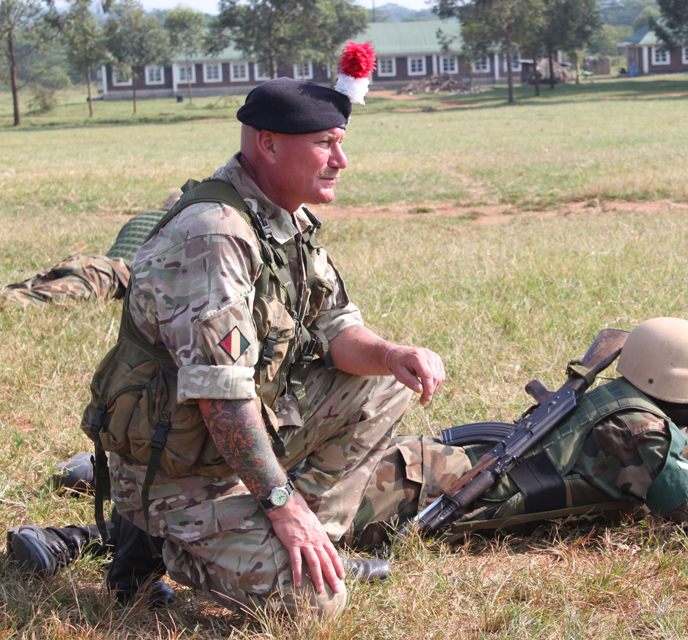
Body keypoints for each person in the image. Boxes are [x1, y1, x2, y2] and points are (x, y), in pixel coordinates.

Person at [7, 77, 446, 617]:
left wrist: (390, 355)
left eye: (340, 142)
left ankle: (309, 545)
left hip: (226, 449)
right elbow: (221, 398)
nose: (341, 160)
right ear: (268, 143)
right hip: (178, 474)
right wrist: (282, 505)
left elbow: (334, 329)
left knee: (382, 383)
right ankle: (155, 542)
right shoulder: (214, 235)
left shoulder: (280, 218)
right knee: (316, 602)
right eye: (325, 144)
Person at [340, 317, 688, 549]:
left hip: (416, 465)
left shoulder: (619, 400)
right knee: (303, 528)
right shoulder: (642, 430)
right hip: (399, 496)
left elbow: (680, 457)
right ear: (673, 386)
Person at [0, 192, 179, 305]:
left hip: (88, 262)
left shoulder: (139, 218)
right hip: (111, 274)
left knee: (16, 289)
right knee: (25, 300)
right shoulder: (178, 224)